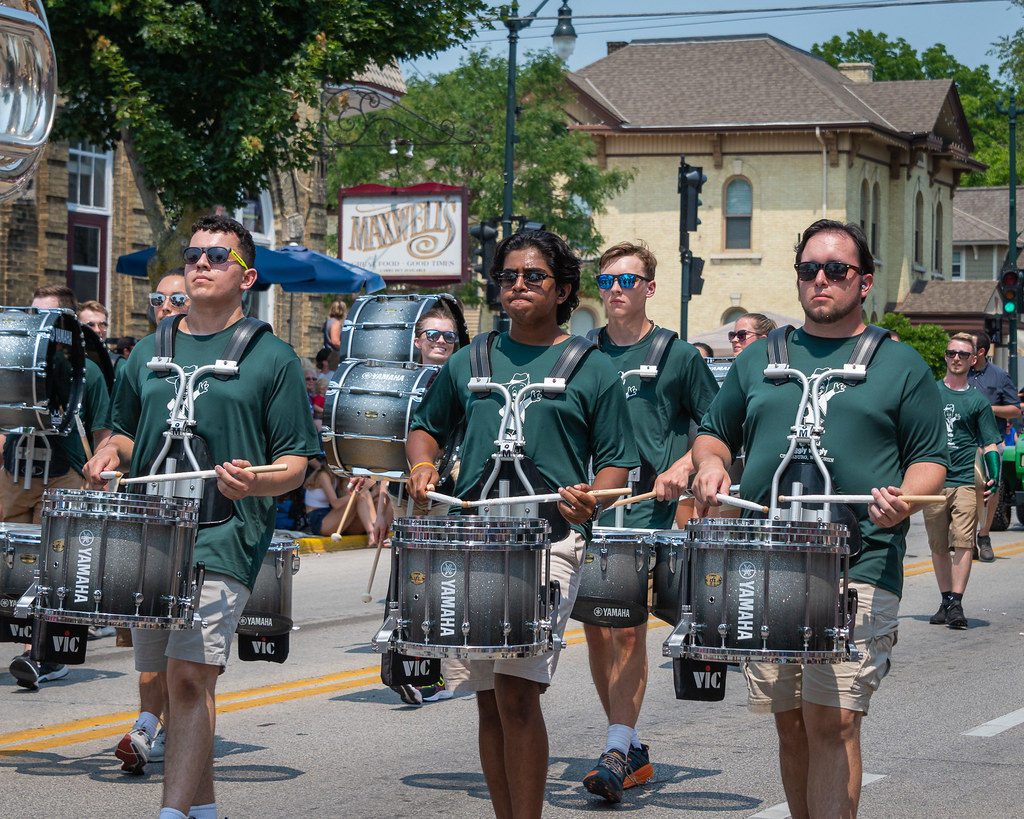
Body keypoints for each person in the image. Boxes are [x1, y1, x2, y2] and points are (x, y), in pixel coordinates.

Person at [691, 219, 947, 819]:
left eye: (836, 269)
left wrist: (904, 499)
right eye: (809, 269)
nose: (821, 280)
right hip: (766, 562)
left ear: (865, 280)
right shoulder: (760, 359)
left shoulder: (901, 363)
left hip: (858, 561)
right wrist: (709, 465)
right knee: (791, 727)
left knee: (831, 723)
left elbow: (930, 459)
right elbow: (714, 434)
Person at [84, 214, 320, 818]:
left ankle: (170, 813)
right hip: (151, 536)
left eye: (217, 256)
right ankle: (204, 808)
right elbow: (131, 437)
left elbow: (297, 463)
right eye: (193, 255)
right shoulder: (145, 351)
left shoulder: (274, 358)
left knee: (190, 679)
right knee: (178, 681)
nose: (200, 264)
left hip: (224, 535)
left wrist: (255, 482)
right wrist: (109, 452)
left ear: (247, 276)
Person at [406, 230, 638, 819]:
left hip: (549, 544)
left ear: (563, 290)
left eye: (533, 277)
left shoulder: (591, 367)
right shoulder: (470, 359)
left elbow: (615, 461)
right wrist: (425, 462)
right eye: (508, 276)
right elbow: (426, 426)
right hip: (473, 543)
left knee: (517, 694)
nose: (517, 286)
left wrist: (594, 501)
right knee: (487, 701)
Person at [581, 240, 719, 803]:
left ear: (650, 289)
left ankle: (615, 746)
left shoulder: (678, 355)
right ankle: (630, 744)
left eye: (628, 281)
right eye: (607, 281)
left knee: (628, 626)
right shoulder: (580, 353)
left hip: (645, 515)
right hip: (587, 510)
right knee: (596, 631)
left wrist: (684, 466)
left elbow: (718, 429)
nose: (616, 290)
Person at [5, 285, 112, 689]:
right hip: (16, 473)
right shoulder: (15, 361)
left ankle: (46, 656)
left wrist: (97, 482)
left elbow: (104, 433)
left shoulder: (90, 370)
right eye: (32, 316)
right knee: (9, 567)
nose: (38, 326)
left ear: (66, 324)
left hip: (65, 474)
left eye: (47, 318)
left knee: (54, 572)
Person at [923, 333, 1000, 630]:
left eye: (963, 354)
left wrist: (992, 477)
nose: (956, 358)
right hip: (933, 479)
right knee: (938, 544)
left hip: (966, 478)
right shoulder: (928, 393)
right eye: (951, 352)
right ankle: (945, 601)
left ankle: (957, 601)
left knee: (964, 542)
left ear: (973, 359)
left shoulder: (977, 401)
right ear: (945, 356)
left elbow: (990, 442)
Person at [968, 329, 1020, 561]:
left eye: (968, 348)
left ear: (980, 351)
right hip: (964, 445)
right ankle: (967, 541)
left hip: (990, 443)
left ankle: (984, 536)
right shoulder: (959, 374)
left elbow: (1015, 408)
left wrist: (989, 409)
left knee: (991, 490)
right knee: (965, 493)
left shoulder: (1000, 376)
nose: (960, 355)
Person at [304, 461, 382, 540]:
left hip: (330, 514)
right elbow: (335, 504)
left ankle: (376, 531)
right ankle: (372, 533)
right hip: (318, 519)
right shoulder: (323, 474)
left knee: (376, 499)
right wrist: (357, 494)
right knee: (361, 493)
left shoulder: (337, 477)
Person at [321, 298, 347, 369]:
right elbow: (335, 342)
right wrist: (347, 348)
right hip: (333, 356)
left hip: (327, 353)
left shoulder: (328, 322)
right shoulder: (336, 323)